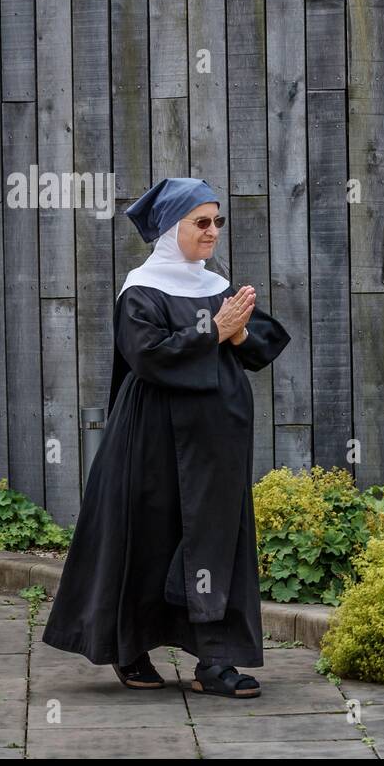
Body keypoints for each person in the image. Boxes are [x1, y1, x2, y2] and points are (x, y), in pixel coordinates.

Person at [41, 178, 290, 699]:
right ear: (172, 229)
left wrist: (239, 332)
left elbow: (261, 345)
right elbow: (148, 355)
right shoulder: (141, 290)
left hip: (216, 442)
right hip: (150, 439)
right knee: (146, 536)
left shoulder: (215, 287)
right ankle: (130, 647)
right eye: (202, 222)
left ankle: (215, 660)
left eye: (217, 221)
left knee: (215, 541)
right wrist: (213, 333)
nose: (213, 231)